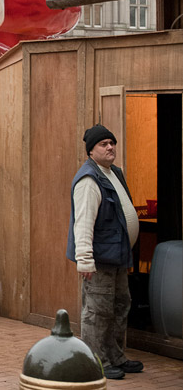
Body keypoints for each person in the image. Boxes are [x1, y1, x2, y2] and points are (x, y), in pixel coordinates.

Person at [67, 124, 144, 380]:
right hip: (99, 261)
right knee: (97, 312)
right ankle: (96, 362)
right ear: (91, 151)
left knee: (120, 306)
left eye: (112, 142)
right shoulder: (89, 180)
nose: (110, 147)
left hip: (118, 257)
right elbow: (84, 222)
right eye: (103, 144)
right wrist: (85, 261)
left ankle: (116, 357)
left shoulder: (113, 173)